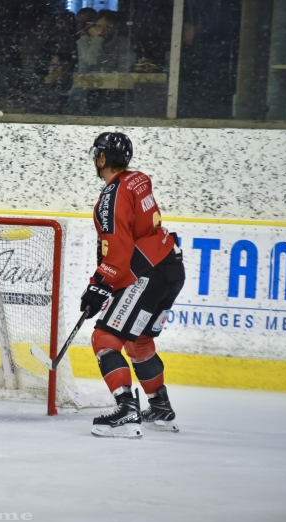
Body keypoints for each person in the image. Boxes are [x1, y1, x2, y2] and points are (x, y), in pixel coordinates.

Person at [81, 132, 184, 438]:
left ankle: (127, 410)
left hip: (147, 272)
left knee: (104, 338)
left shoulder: (110, 197)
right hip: (171, 267)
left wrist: (99, 283)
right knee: (138, 342)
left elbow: (119, 249)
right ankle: (161, 409)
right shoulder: (138, 178)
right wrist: (104, 283)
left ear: (101, 159)